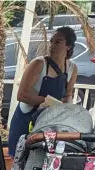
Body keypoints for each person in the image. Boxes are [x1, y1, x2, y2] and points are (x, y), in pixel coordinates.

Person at [7, 26, 78, 158]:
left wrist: (67, 109)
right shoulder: (39, 64)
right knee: (19, 161)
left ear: (68, 46)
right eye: (51, 41)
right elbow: (21, 95)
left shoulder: (72, 68)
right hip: (26, 120)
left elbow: (68, 94)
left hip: (49, 124)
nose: (52, 45)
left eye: (58, 42)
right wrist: (47, 101)